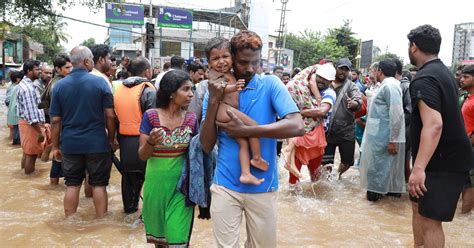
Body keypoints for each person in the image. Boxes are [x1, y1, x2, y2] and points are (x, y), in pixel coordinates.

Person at [200, 30, 304, 247]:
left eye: (255, 63)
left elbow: (297, 125)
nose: (250, 68)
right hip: (225, 186)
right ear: (231, 59)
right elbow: (206, 145)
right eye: (243, 63)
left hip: (263, 188)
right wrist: (213, 101)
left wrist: (248, 131)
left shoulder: (271, 84)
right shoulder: (215, 89)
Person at [406, 25, 473, 247]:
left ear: (414, 46)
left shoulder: (424, 78)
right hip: (440, 157)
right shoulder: (443, 72)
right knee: (418, 208)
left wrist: (418, 169)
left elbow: (434, 125)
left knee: (430, 219)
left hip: (442, 161)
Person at [49, 46, 116, 218]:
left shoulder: (59, 86)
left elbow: (55, 120)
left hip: (70, 144)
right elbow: (110, 115)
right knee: (99, 185)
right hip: (97, 143)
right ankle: (102, 222)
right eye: (92, 59)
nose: (93, 62)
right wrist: (111, 139)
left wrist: (55, 146)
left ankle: (69, 222)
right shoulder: (101, 82)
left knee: (72, 185)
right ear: (87, 61)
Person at [137, 69, 196, 246]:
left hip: (182, 189)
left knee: (178, 239)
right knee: (160, 242)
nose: (191, 94)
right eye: (186, 89)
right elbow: (142, 155)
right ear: (171, 93)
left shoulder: (192, 119)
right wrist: (151, 143)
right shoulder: (150, 117)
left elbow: (197, 155)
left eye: (191, 89)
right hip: (156, 188)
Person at [206, 37, 269, 185]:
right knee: (253, 126)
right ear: (209, 63)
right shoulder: (214, 75)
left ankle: (245, 173)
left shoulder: (231, 72)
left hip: (228, 111)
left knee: (243, 143)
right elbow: (218, 88)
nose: (221, 62)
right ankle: (257, 158)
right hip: (223, 110)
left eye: (225, 57)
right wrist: (233, 88)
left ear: (232, 58)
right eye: (216, 59)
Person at [114, 56, 156, 214]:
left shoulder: (119, 89)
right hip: (145, 144)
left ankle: (129, 214)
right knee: (150, 182)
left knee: (129, 183)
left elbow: (113, 117)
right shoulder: (149, 91)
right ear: (147, 71)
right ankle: (148, 218)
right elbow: (154, 121)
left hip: (124, 143)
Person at [359, 59, 406, 202]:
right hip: (378, 138)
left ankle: (378, 201)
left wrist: (393, 140)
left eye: (374, 70)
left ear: (380, 71)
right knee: (377, 170)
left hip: (384, 139)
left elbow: (397, 114)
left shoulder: (390, 86)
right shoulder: (384, 86)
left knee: (379, 171)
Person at [282, 63, 336, 185]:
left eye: (325, 79)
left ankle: (316, 197)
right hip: (300, 137)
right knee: (293, 179)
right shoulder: (306, 85)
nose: (321, 81)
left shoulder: (329, 93)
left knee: (315, 177)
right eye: (320, 77)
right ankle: (293, 200)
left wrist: (301, 112)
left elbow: (321, 111)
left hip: (316, 137)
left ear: (331, 81)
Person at [322, 58, 362, 178]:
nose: (343, 72)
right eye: (341, 68)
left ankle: (338, 175)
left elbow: (358, 100)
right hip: (328, 131)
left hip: (346, 131)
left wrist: (353, 104)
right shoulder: (326, 83)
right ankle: (328, 181)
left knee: (348, 162)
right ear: (336, 68)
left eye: (346, 70)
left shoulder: (352, 86)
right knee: (326, 163)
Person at [39, 54, 73, 185]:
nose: (71, 70)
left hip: (59, 125)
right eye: (67, 67)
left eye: (71, 67)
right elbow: (56, 115)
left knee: (58, 159)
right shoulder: (58, 85)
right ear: (58, 69)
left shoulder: (57, 82)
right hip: (60, 125)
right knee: (58, 158)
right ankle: (54, 186)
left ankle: (53, 187)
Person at [17, 60, 49, 174]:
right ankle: (29, 176)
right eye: (37, 70)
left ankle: (24, 175)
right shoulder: (28, 89)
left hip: (26, 123)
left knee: (27, 152)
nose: (39, 72)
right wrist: (39, 132)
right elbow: (31, 114)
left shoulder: (26, 85)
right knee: (32, 154)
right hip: (31, 124)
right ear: (28, 71)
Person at [394, 58, 413, 183]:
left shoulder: (404, 86)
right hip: (401, 129)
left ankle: (401, 186)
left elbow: (409, 110)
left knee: (403, 160)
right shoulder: (395, 85)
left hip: (404, 129)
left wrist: (395, 123)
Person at [459, 65, 474, 214]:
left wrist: (469, 142)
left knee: (469, 184)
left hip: (470, 147)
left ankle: (464, 217)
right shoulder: (467, 97)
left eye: (466, 77)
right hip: (466, 146)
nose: (461, 80)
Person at [6, 70, 23, 145]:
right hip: (15, 113)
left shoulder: (11, 87)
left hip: (12, 112)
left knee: (13, 133)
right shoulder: (17, 88)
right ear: (18, 79)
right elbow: (8, 100)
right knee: (15, 135)